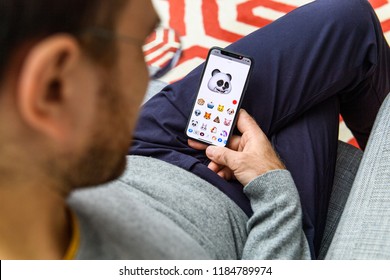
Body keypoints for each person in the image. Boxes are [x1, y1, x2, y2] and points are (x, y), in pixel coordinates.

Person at [0, 0, 388, 260]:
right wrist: (272, 187)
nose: (150, 74)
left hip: (141, 149)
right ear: (53, 86)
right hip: (248, 209)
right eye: (139, 45)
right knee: (330, 75)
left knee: (345, 20)